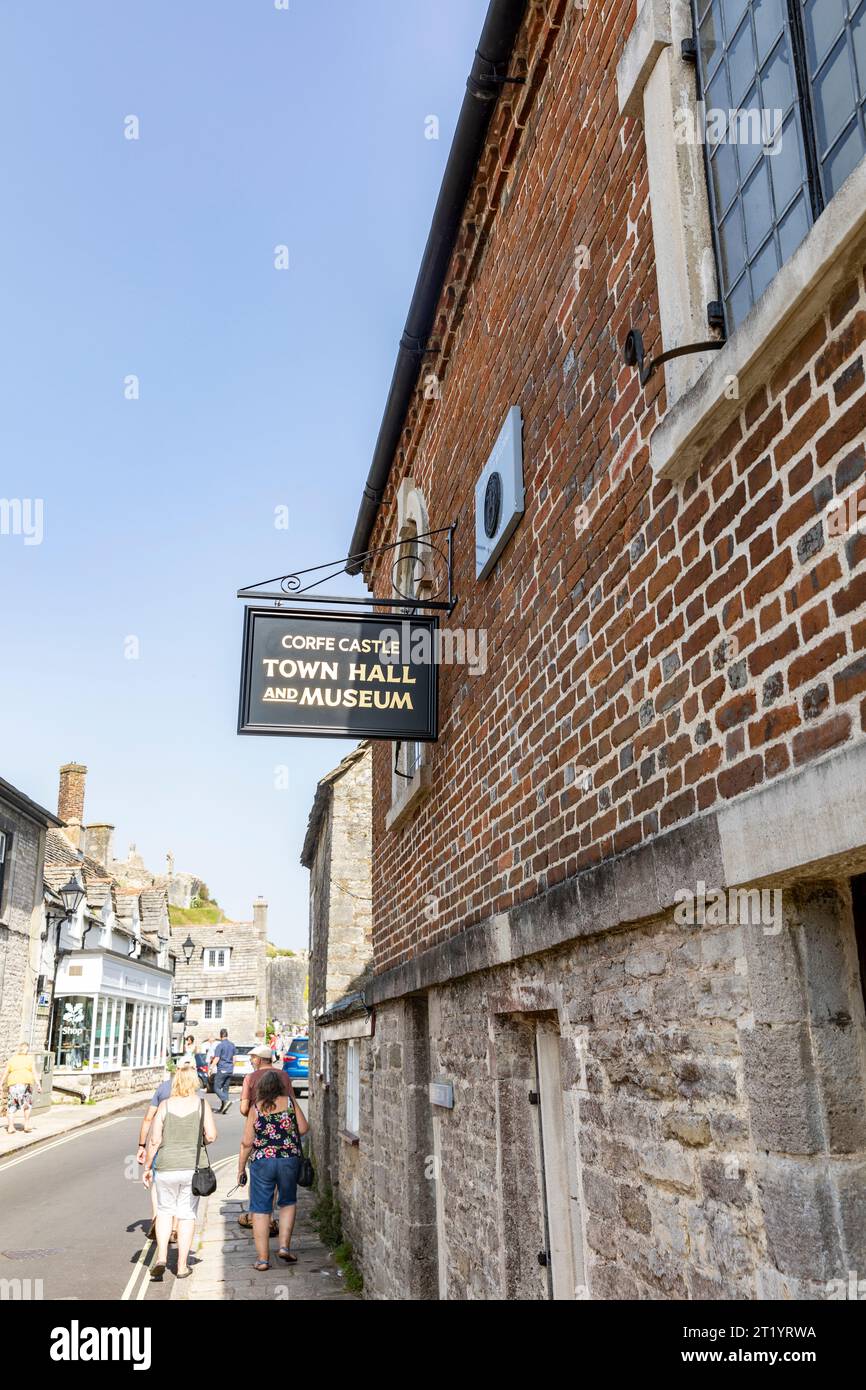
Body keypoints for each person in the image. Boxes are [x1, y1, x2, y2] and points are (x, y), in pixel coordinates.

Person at [143, 1056, 216, 1280]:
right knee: (186, 1215)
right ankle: (182, 1266)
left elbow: (154, 1141)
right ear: (195, 1082)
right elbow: (211, 1136)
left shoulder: (165, 1105)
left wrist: (147, 1167)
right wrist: (198, 1139)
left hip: (165, 1167)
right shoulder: (202, 1105)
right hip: (192, 1168)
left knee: (165, 1212)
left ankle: (162, 1258)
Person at [238, 1067, 308, 1271]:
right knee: (287, 1202)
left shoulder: (256, 1108)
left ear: (261, 1088)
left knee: (260, 1210)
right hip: (288, 1160)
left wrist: (241, 1169)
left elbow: (247, 1143)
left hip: (262, 1162)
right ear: (280, 1086)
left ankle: (262, 1259)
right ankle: (284, 1247)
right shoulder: (289, 1103)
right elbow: (303, 1128)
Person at [236, 1043, 296, 1233]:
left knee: (260, 1173)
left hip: (258, 1129)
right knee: (278, 1178)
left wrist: (257, 1113)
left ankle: (259, 1217)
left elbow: (244, 1109)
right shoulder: (285, 1076)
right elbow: (291, 1105)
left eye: (253, 1058)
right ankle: (270, 1220)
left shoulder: (250, 1078)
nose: (251, 1061)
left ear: (261, 1059)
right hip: (283, 1136)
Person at [1, 1042, 41, 1135]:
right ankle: (26, 1125)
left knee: (12, 1106)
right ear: (26, 1050)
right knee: (27, 1105)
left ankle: (11, 1127)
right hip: (25, 1084)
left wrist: (1, 1083)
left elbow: (5, 1072)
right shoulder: (30, 1059)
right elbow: (34, 1073)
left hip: (13, 1085)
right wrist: (38, 1084)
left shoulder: (12, 1059)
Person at [211, 1028, 235, 1113]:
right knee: (225, 1089)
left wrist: (211, 1068)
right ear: (227, 1035)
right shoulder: (232, 1045)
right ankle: (223, 1108)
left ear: (220, 1035)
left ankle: (226, 1101)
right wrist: (232, 1067)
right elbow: (234, 1058)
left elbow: (217, 1058)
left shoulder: (220, 1046)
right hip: (230, 1069)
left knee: (216, 1087)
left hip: (222, 1069)